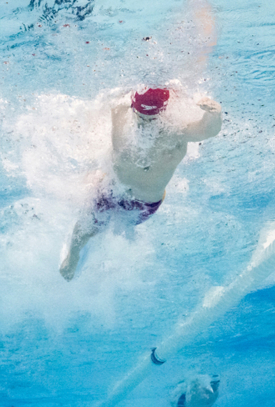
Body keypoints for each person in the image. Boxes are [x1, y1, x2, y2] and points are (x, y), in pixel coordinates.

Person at [59, 86, 222, 280]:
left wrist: (214, 114)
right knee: (86, 224)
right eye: (140, 117)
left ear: (163, 114)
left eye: (151, 119)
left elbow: (206, 130)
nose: (145, 124)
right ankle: (73, 256)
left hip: (143, 203)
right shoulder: (121, 113)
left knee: (115, 231)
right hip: (111, 187)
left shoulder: (176, 131)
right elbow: (110, 99)